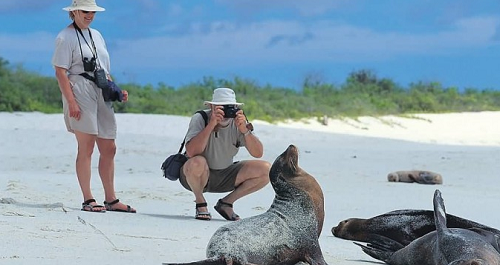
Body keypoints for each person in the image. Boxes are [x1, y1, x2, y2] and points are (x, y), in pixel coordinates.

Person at [51, 0, 135, 213]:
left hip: (101, 89)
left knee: (109, 147)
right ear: (75, 12)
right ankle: (88, 198)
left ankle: (111, 199)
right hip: (80, 90)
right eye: (86, 11)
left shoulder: (96, 35)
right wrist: (71, 101)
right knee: (86, 146)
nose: (90, 15)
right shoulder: (65, 37)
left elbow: (103, 69)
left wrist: (115, 90)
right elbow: (61, 71)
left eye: (93, 12)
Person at [180, 87, 271, 221]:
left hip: (225, 173)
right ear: (211, 107)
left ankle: (226, 203)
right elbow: (192, 152)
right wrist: (211, 125)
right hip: (194, 175)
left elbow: (258, 153)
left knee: (266, 170)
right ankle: (200, 203)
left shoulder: (239, 122)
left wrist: (245, 131)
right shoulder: (200, 118)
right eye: (221, 107)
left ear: (235, 107)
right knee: (197, 162)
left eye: (229, 107)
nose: (226, 112)